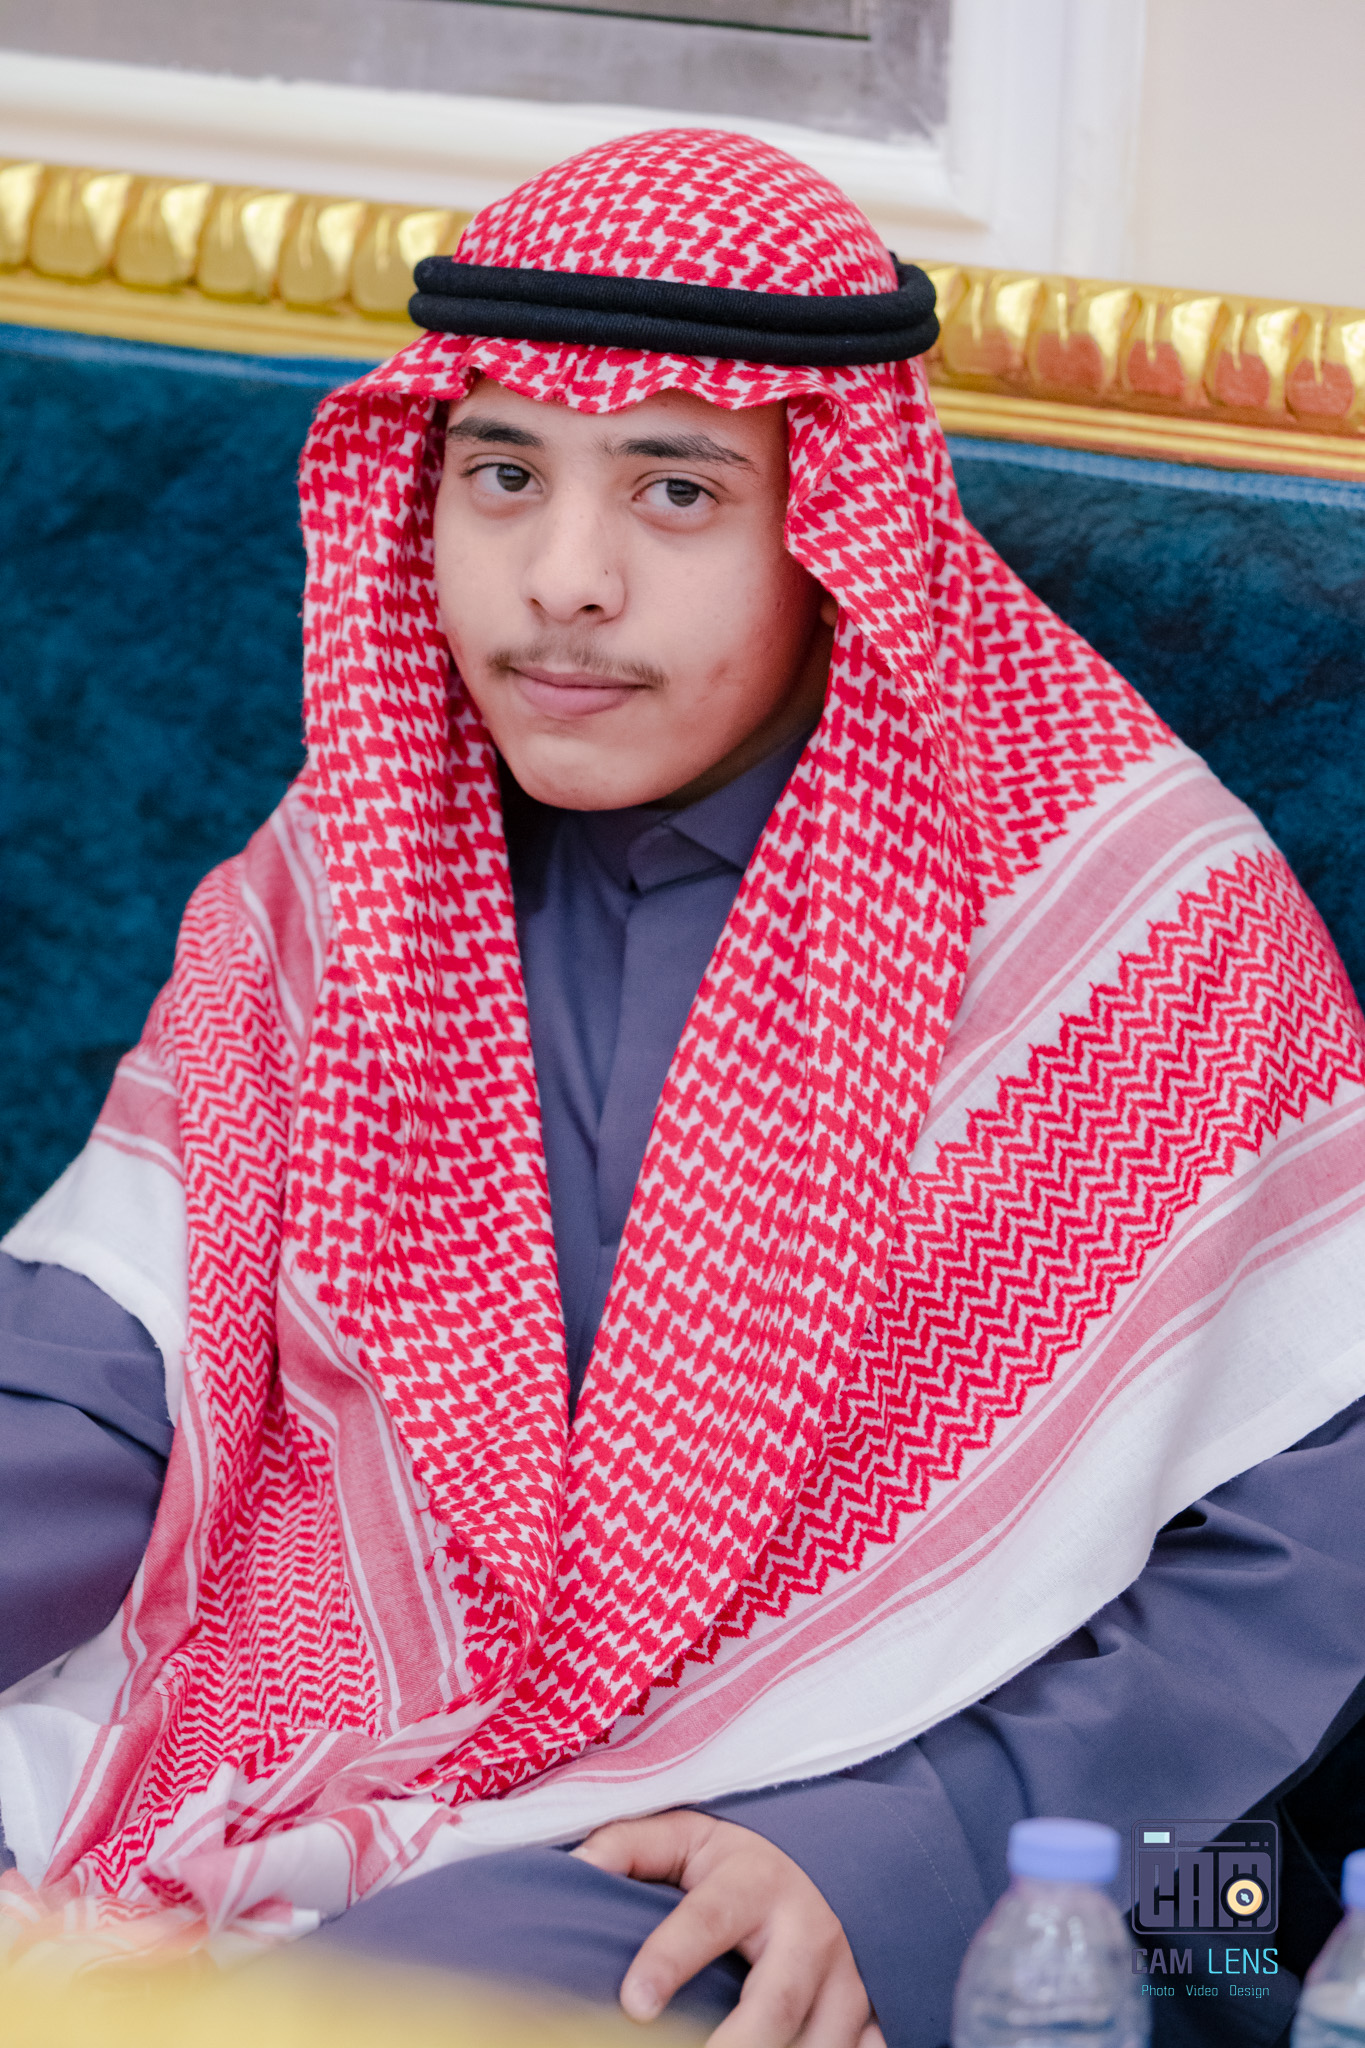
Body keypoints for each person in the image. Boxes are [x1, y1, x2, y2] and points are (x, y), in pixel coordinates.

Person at [3, 128, 1365, 2048]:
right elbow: (113, 1365)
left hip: (883, 1824)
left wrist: (903, 1850)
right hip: (324, 1723)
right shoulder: (365, 859)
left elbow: (1309, 1554)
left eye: (674, 488)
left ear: (830, 523)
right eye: (502, 476)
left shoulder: (1131, 931)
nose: (563, 581)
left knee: (419, 2001)